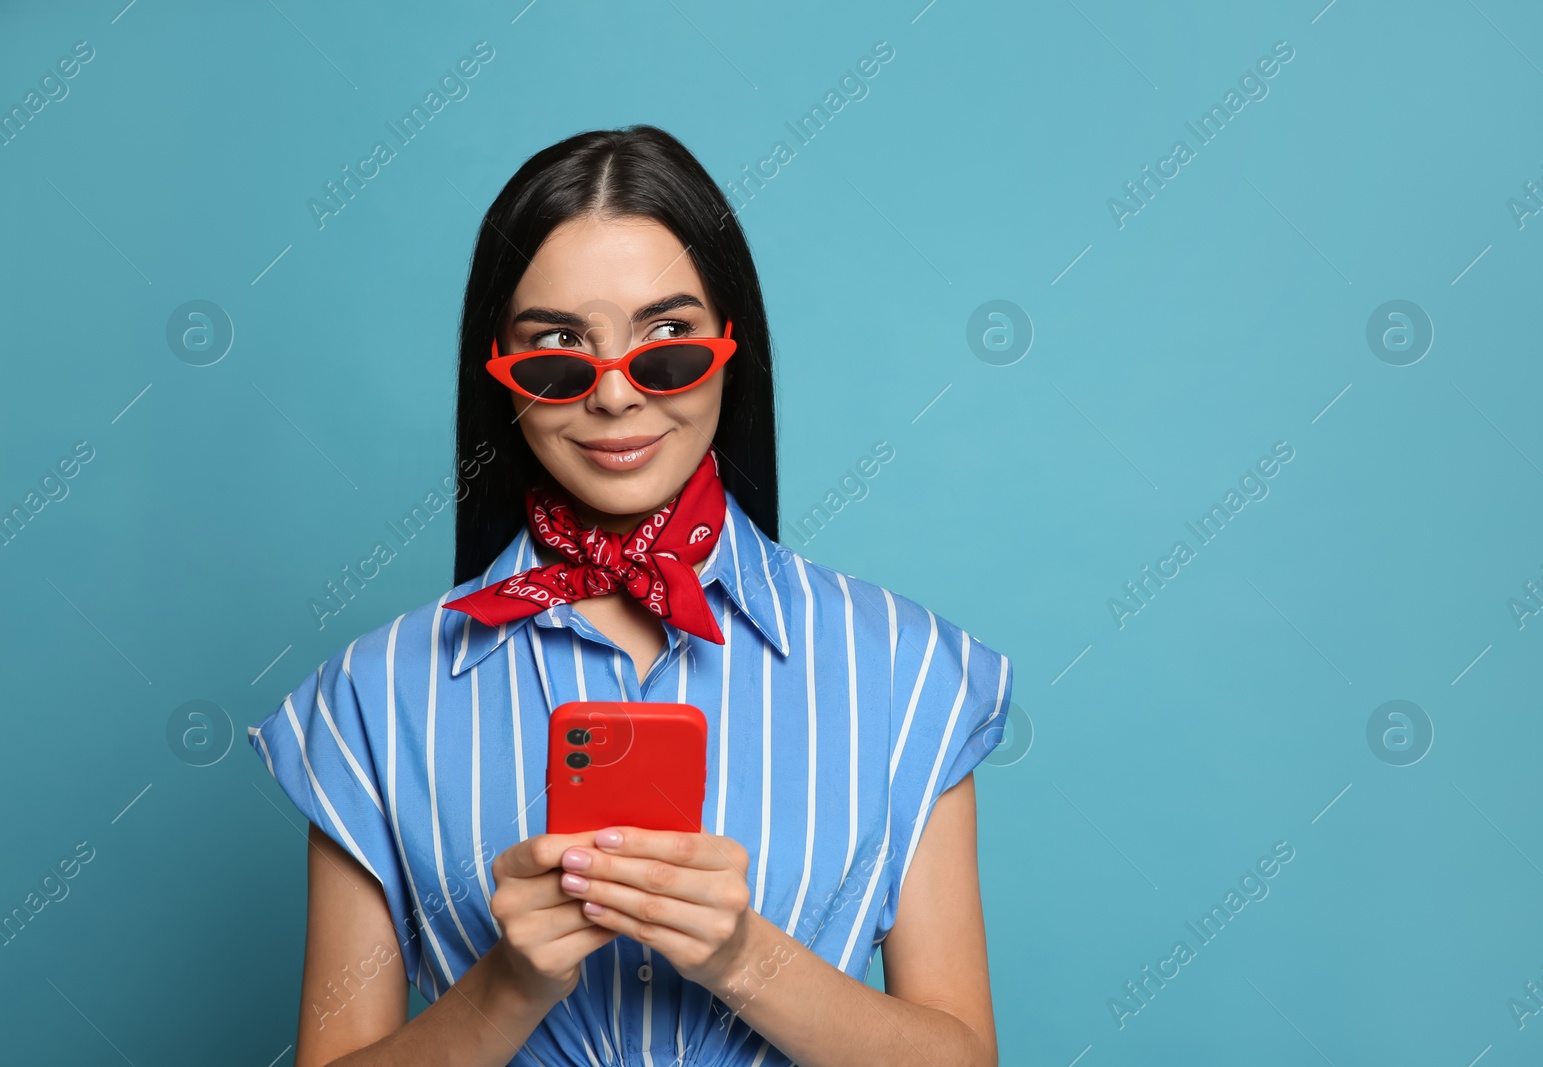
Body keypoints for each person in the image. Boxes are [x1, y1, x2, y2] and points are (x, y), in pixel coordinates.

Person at [248, 124, 1013, 1067]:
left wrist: (744, 957)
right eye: (560, 349)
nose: (614, 398)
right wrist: (509, 984)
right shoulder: (370, 697)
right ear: (500, 372)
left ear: (733, 349)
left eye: (667, 342)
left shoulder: (903, 667)